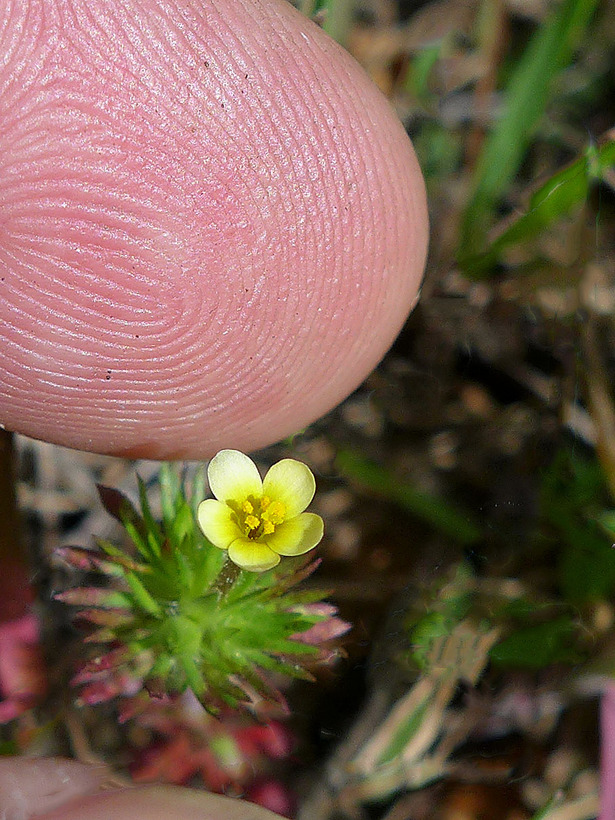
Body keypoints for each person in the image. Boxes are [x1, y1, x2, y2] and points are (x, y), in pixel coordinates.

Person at [0, 0, 427, 816]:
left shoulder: (259, 528)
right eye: (253, 518)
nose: (256, 520)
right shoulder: (230, 514)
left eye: (259, 522)